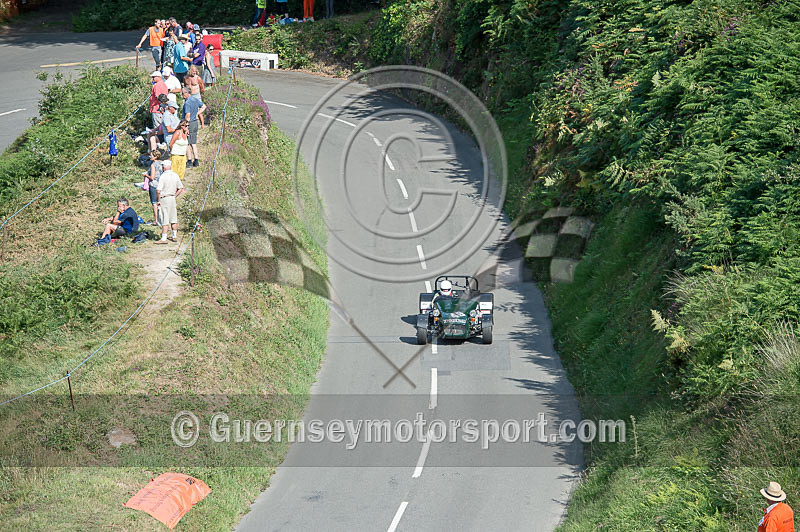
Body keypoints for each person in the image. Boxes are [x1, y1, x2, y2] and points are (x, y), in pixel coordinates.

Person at [154, 160, 186, 244]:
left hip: (164, 198)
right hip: (172, 198)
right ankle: (174, 235)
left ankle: (164, 238)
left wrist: (158, 200)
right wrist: (174, 196)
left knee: (165, 218)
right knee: (173, 217)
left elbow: (158, 190)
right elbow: (180, 188)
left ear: (164, 167)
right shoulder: (175, 175)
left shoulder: (163, 176)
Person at [134, 150, 163, 224]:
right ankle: (162, 219)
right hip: (161, 184)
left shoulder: (153, 165)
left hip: (154, 185)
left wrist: (146, 175)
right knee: (161, 202)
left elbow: (152, 177)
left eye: (152, 155)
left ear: (155, 156)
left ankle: (156, 220)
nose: (150, 157)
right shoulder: (161, 163)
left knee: (154, 203)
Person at [181, 86, 206, 167]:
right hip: (195, 122)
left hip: (189, 123)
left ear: (187, 93)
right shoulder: (195, 99)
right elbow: (203, 106)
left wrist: (186, 126)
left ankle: (189, 161)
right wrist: (197, 114)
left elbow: (187, 116)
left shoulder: (187, 103)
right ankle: (196, 160)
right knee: (194, 143)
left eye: (183, 93)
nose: (182, 95)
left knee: (187, 143)